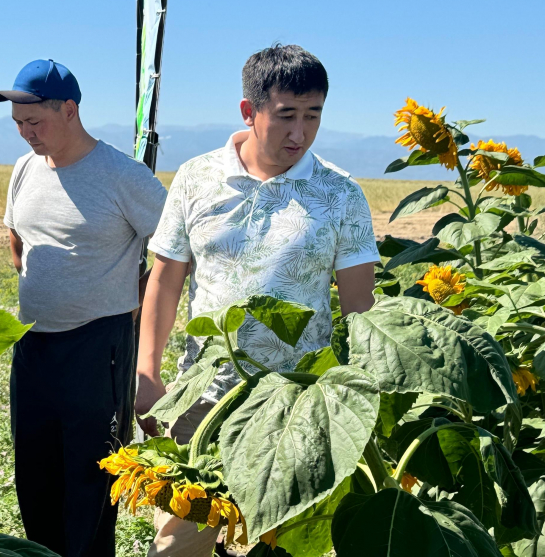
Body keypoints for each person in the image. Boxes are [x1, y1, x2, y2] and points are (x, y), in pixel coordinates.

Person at [135, 44, 378, 556]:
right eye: (286, 115)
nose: (300, 133)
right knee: (184, 542)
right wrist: (147, 373)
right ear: (249, 111)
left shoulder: (340, 194)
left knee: (275, 543)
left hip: (295, 408)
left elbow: (361, 311)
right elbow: (166, 280)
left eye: (313, 116)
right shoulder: (197, 177)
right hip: (204, 398)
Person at [0, 59, 168, 557]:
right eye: (18, 124)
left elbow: (176, 251)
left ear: (69, 110)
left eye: (34, 122)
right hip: (32, 346)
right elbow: (16, 233)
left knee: (91, 481)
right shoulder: (25, 168)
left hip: (98, 347)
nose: (25, 134)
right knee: (35, 471)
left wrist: (136, 301)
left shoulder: (122, 175)